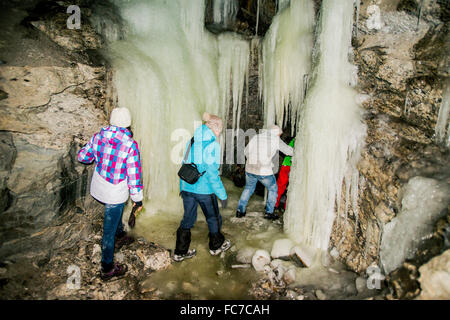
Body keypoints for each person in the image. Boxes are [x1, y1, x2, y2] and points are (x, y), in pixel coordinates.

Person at [78, 107, 143, 280]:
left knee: (115, 215)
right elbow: (134, 176)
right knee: (107, 231)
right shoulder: (130, 145)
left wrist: (97, 156)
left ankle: (120, 234)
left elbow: (83, 157)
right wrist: (138, 200)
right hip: (115, 193)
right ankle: (107, 268)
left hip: (99, 187)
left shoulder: (98, 137)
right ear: (128, 124)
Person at [173, 112, 230, 262]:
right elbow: (212, 174)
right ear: (215, 129)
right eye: (220, 129)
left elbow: (185, 163)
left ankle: (180, 252)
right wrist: (222, 195)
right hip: (204, 190)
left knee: (188, 219)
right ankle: (216, 246)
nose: (220, 132)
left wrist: (183, 187)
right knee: (213, 218)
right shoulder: (212, 145)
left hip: (187, 186)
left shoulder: (192, 140)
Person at [236, 125, 293, 220]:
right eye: (279, 134)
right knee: (273, 188)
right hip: (263, 170)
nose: (279, 136)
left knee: (248, 188)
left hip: (250, 168)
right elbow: (289, 151)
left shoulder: (256, 137)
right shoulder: (275, 139)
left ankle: (240, 211)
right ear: (277, 133)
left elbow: (246, 151)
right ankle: (269, 212)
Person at [275, 137, 295, 213]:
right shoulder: (296, 140)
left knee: (281, 186)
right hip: (289, 165)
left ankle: (275, 205)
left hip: (287, 165)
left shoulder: (294, 140)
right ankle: (285, 207)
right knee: (288, 187)